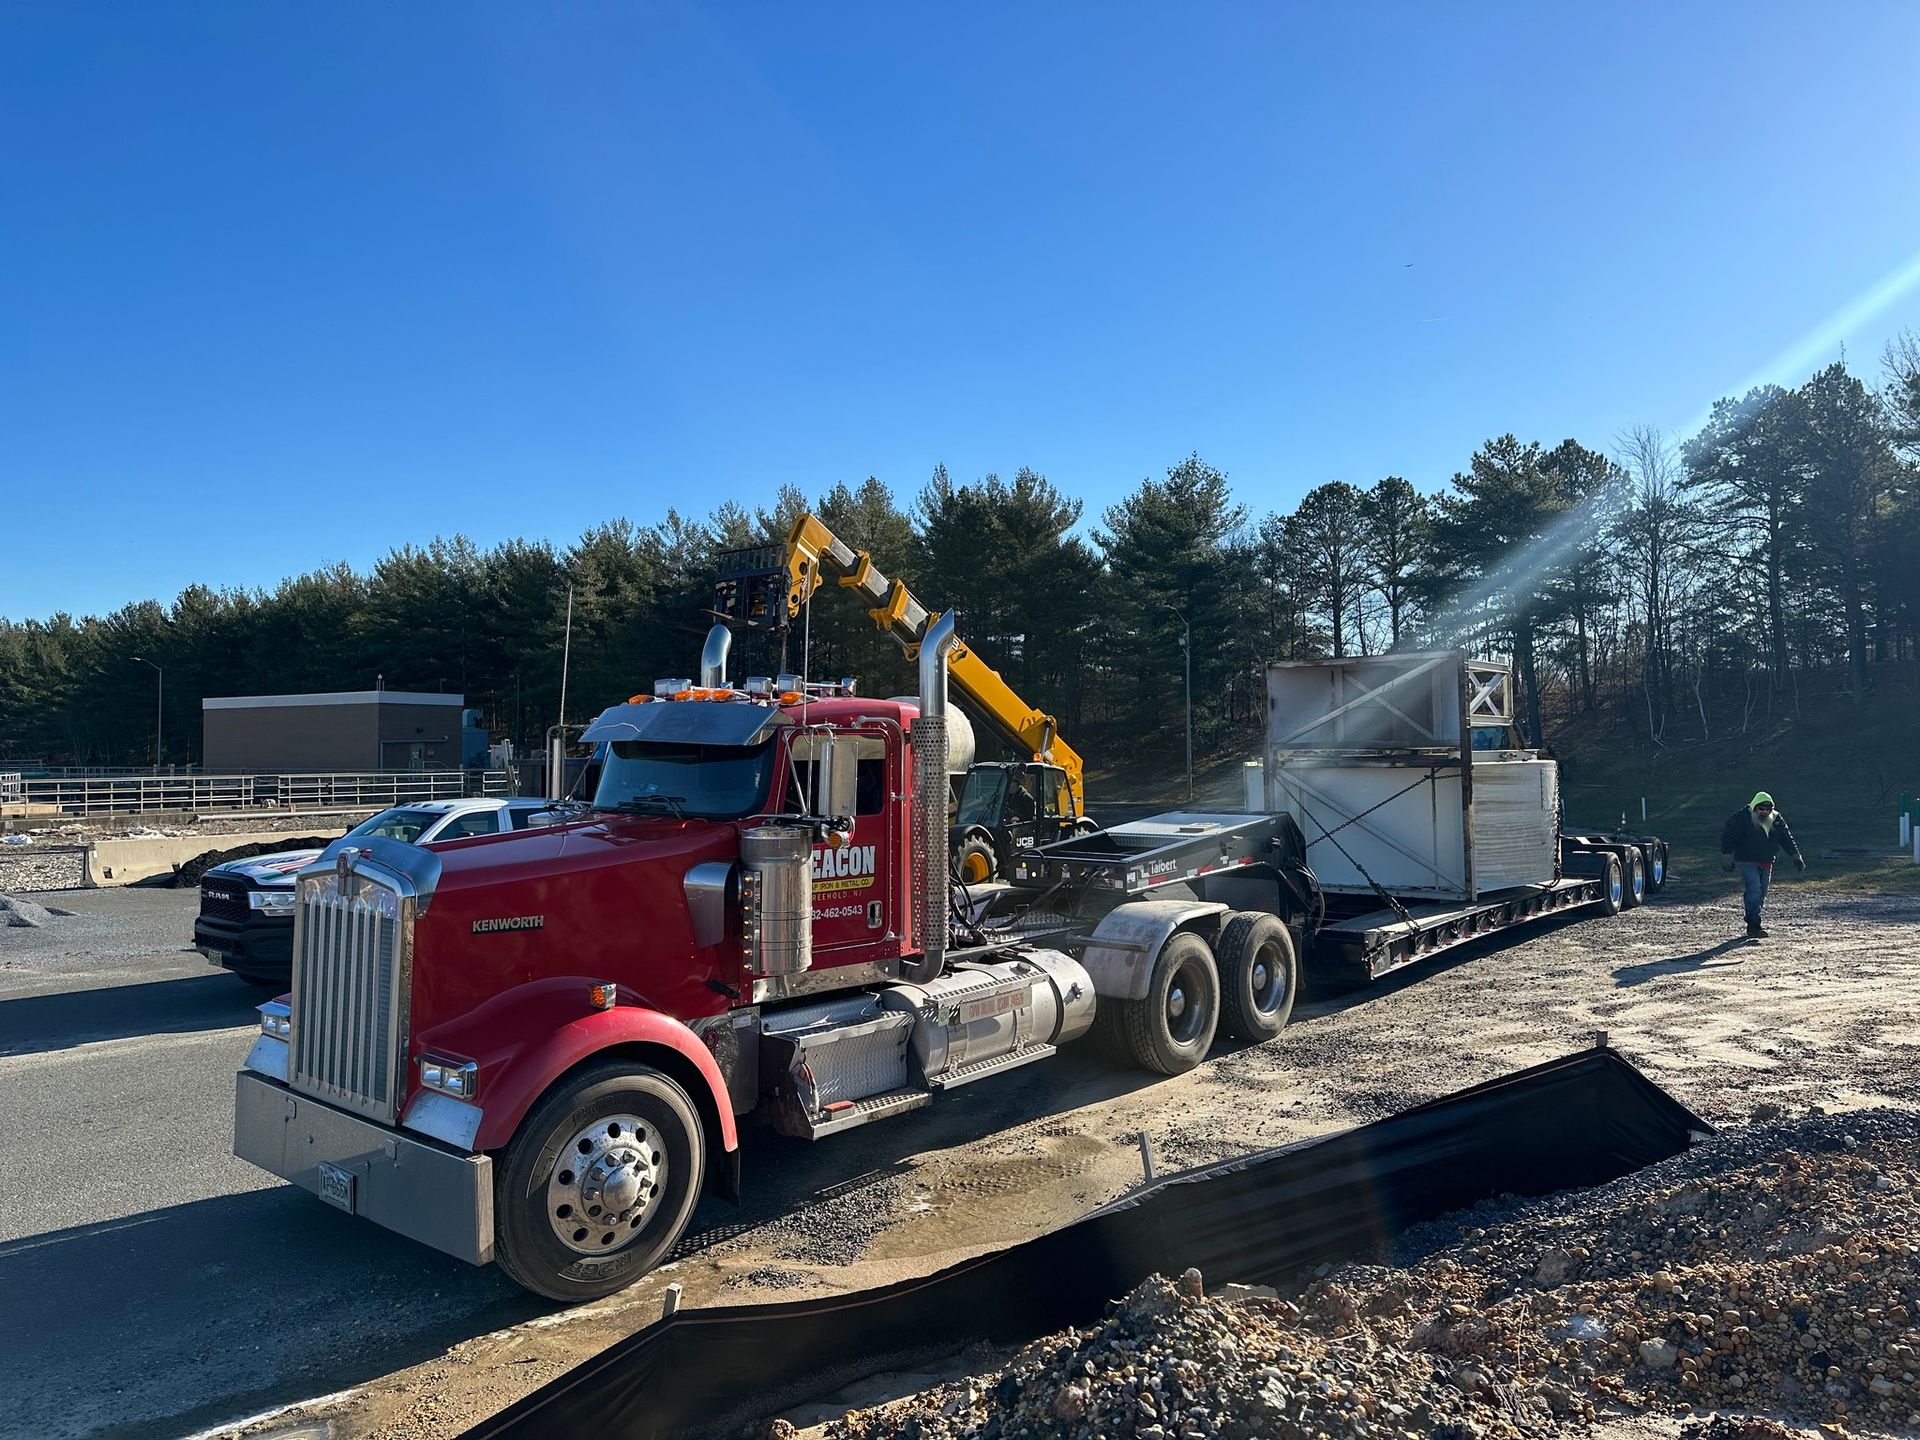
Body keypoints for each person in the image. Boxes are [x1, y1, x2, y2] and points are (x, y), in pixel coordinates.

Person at [1719, 790, 1804, 939]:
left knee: (1762, 892)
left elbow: (1786, 838)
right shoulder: (1741, 818)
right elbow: (1729, 836)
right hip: (1746, 860)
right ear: (1754, 807)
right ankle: (1754, 925)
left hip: (1766, 861)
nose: (1764, 812)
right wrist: (1727, 856)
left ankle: (1753, 918)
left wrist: (1796, 856)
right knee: (1754, 889)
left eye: (1768, 809)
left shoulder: (1776, 819)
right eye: (1761, 809)